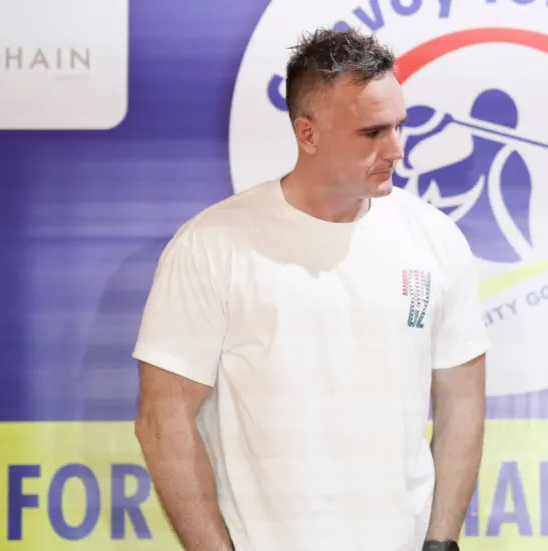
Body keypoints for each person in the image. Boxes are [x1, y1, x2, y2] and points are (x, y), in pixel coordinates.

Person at [132, 28, 488, 551]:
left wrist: (440, 542)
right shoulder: (211, 246)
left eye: (400, 126)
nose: (396, 149)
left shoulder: (436, 239)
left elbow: (462, 400)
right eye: (371, 133)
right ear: (308, 134)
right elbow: (163, 421)